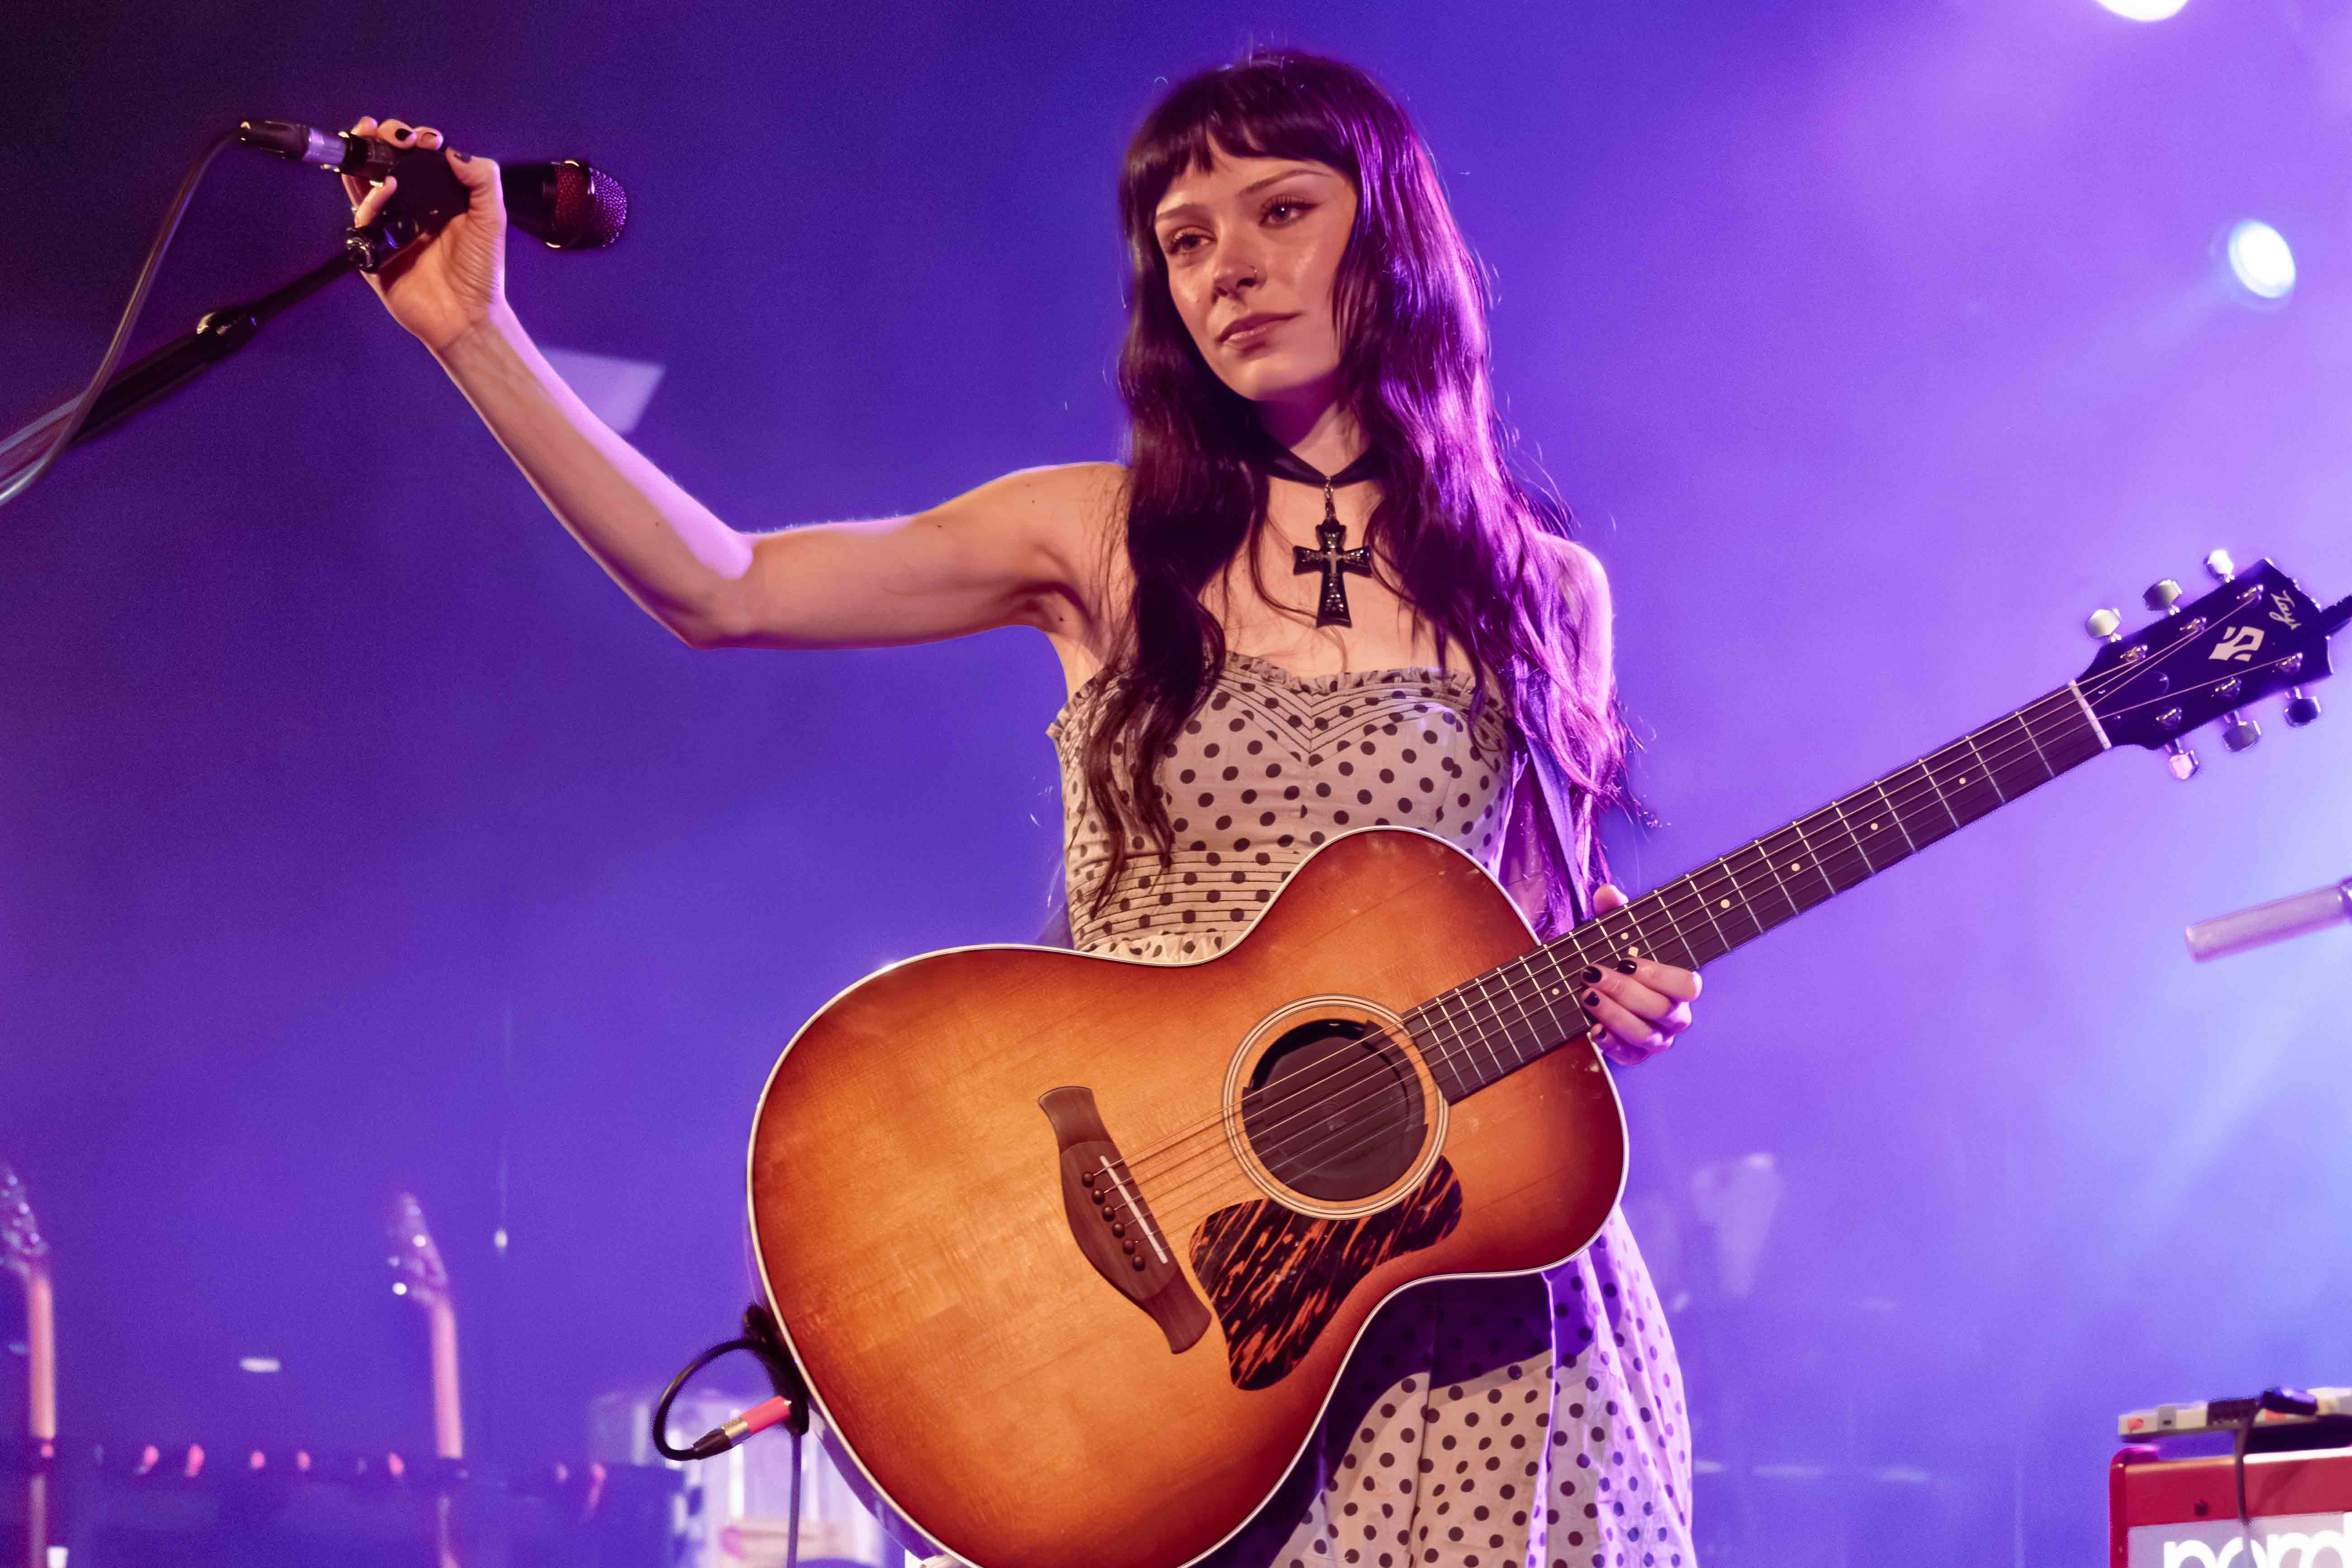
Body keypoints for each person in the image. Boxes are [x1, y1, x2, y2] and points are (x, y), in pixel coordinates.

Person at [348, 47, 1703, 1568]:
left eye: (1281, 212)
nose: (1230, 269)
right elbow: (721, 588)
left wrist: (1613, 1001)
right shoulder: (1099, 537)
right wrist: (477, 334)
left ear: (1386, 237)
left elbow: (1540, 929)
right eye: (1186, 241)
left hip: (1469, 1333)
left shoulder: (1543, 591)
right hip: (1159, 1339)